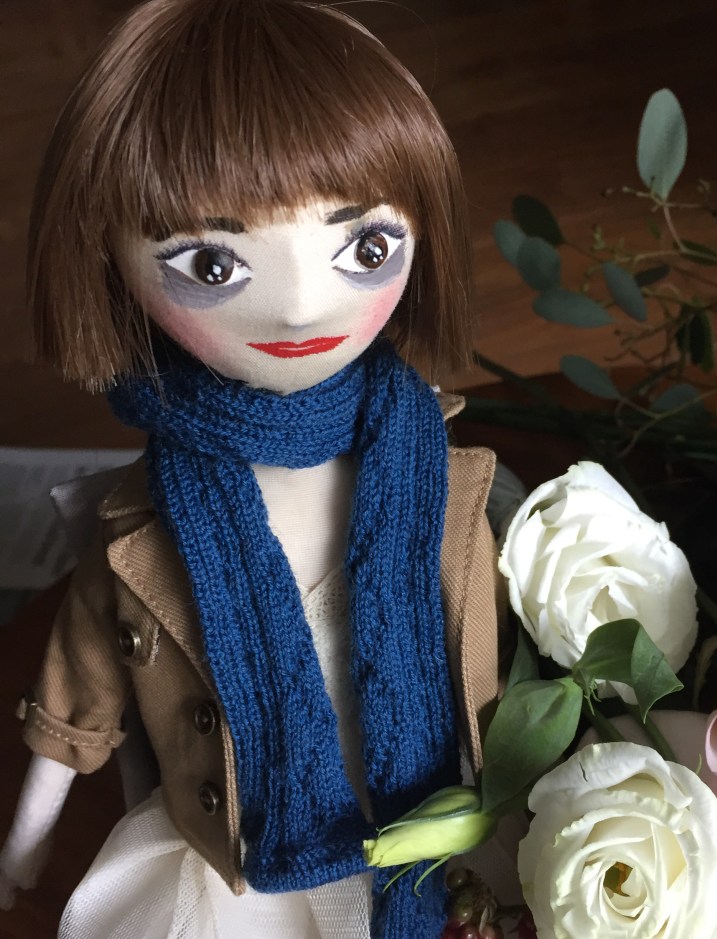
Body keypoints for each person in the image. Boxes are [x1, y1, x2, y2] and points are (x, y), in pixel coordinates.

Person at [0, 1, 504, 935]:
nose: (301, 305)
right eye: (211, 264)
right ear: (105, 260)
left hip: (432, 827)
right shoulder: (142, 520)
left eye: (366, 246)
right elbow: (80, 689)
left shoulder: (438, 473)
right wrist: (27, 841)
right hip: (241, 860)